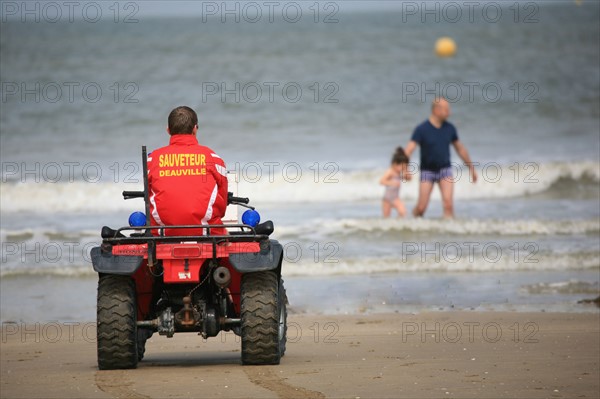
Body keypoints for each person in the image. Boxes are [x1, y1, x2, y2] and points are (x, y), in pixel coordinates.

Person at [147, 106, 228, 236]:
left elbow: (149, 196)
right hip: (209, 234)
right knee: (226, 237)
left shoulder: (152, 160)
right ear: (195, 128)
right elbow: (222, 206)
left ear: (168, 130)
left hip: (162, 236)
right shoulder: (213, 158)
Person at [404, 97, 477, 218]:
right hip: (427, 172)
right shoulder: (421, 129)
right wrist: (405, 168)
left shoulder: (450, 128)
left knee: (448, 205)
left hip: (445, 170)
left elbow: (460, 149)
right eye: (446, 109)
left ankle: (448, 233)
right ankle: (413, 224)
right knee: (421, 208)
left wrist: (471, 168)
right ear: (436, 110)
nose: (449, 112)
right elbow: (409, 150)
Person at [379, 147, 411, 218]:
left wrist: (406, 171)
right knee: (386, 217)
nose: (403, 169)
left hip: (395, 198)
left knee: (403, 212)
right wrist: (391, 183)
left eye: (404, 167)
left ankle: (398, 223)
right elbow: (381, 181)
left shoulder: (399, 173)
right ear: (395, 164)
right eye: (402, 167)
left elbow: (409, 178)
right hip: (387, 198)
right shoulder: (390, 171)